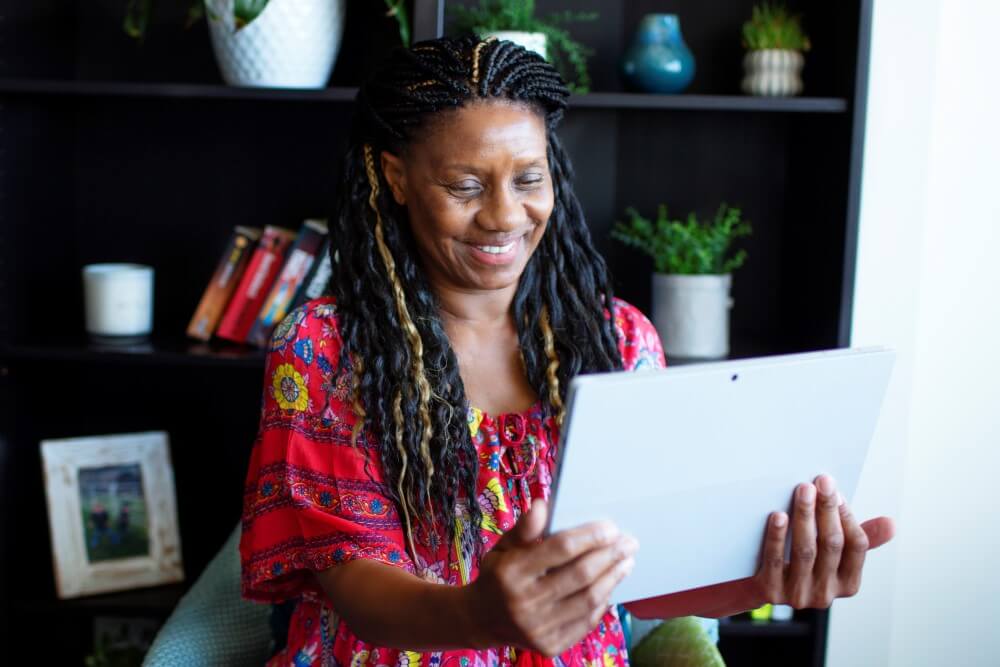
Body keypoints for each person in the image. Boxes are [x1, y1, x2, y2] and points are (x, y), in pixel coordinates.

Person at [240, 35, 895, 667]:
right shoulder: (324, 348)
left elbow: (639, 583)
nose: (503, 215)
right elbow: (359, 591)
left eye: (528, 178)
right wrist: (481, 613)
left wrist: (767, 579)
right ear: (397, 177)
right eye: (466, 185)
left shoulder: (620, 342)